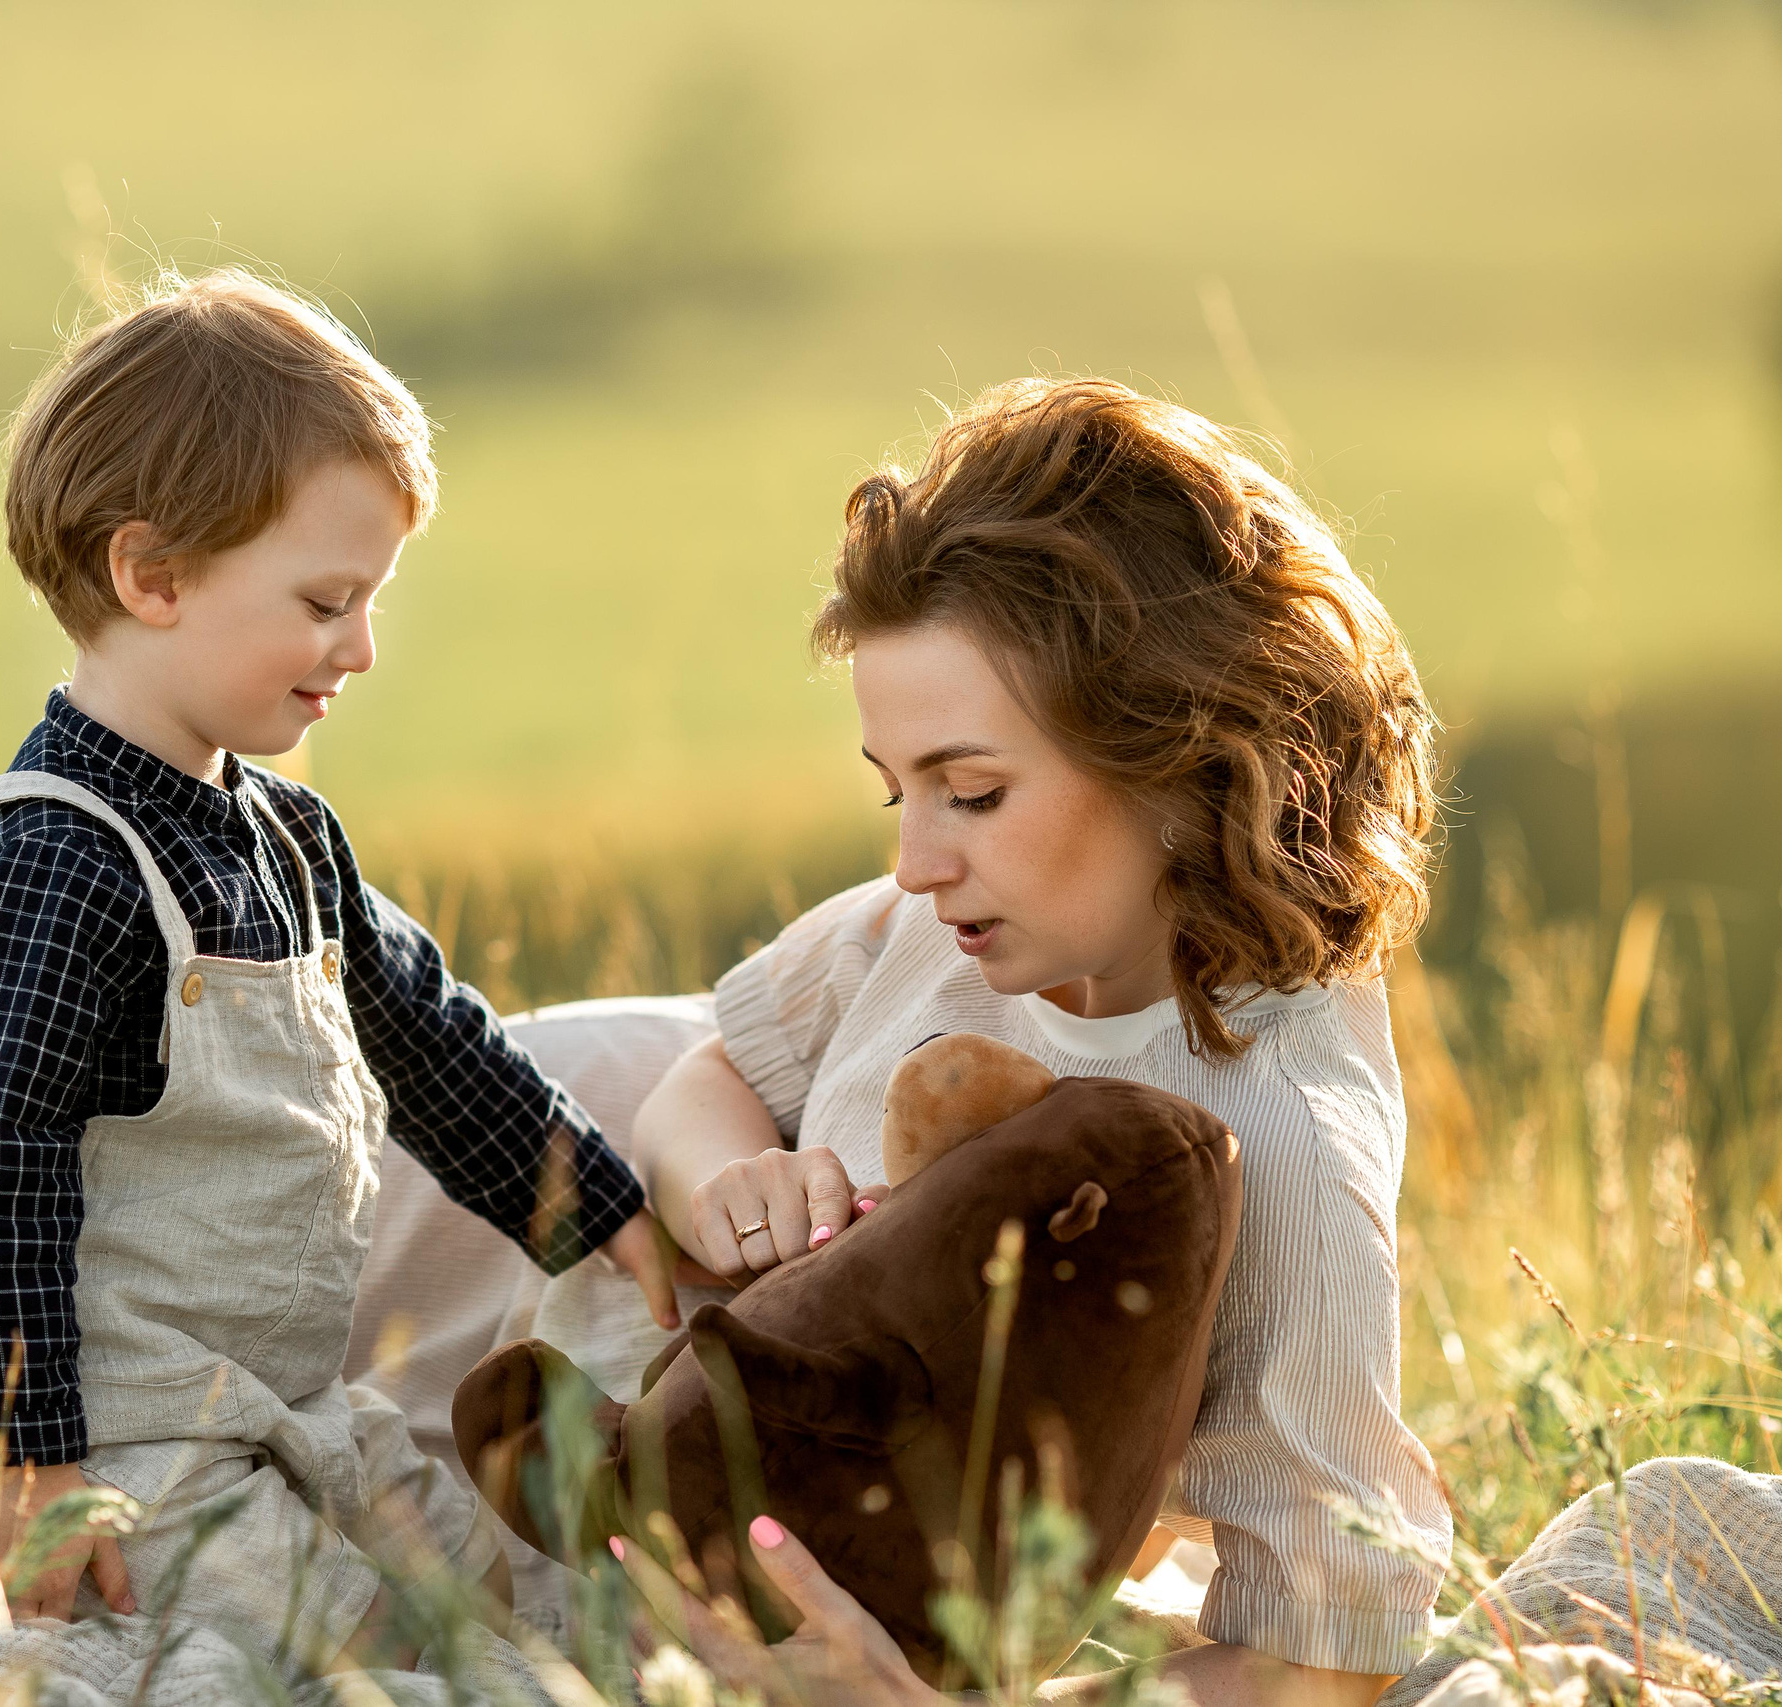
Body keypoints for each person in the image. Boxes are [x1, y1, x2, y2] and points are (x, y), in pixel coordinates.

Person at [0, 269, 680, 1671]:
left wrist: (599, 1205)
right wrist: (22, 1466)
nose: (363, 647)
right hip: (112, 1439)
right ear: (152, 576)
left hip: (282, 1404)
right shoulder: (49, 863)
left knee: (482, 1597)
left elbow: (427, 1038)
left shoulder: (283, 836)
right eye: (328, 600)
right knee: (359, 1660)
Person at [622, 376, 1452, 1705]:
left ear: (1186, 760)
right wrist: (722, 1181)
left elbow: (1327, 1657)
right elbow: (706, 1071)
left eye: (972, 792)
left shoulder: (1280, 1142)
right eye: (896, 794)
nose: (913, 863)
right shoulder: (929, 933)